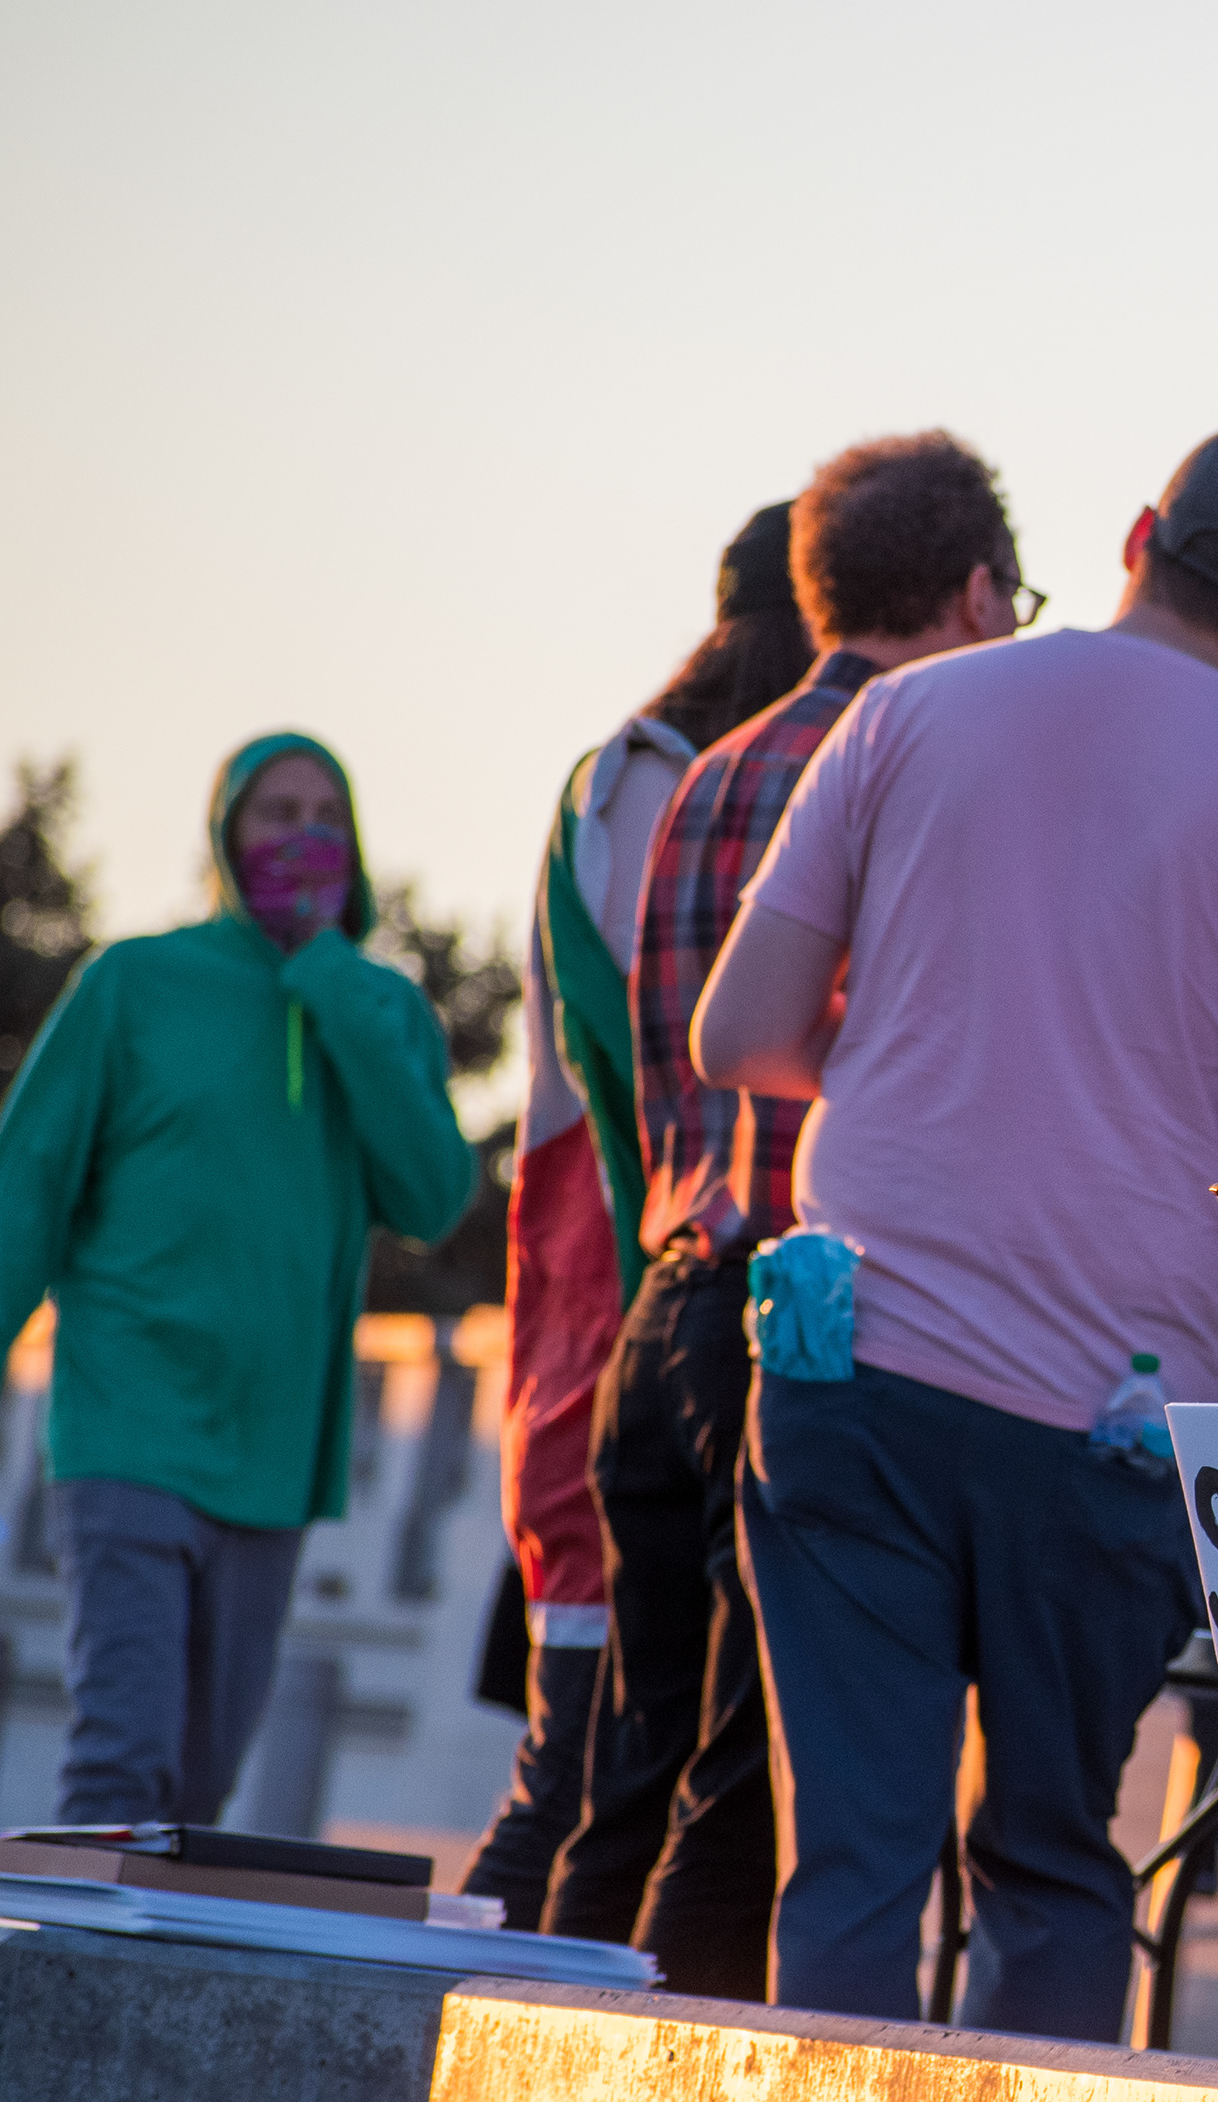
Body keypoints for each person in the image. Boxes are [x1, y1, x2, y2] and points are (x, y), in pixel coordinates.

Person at [696, 427, 1218, 2033]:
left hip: (856, 1355)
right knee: (1062, 1864)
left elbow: (742, 1033)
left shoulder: (908, 709)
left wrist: (907, 1058)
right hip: (1112, 1407)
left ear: (1141, 531)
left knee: (853, 1857)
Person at [539, 450, 1027, 1994]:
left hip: (668, 1301)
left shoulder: (708, 769)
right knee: (753, 1803)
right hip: (804, 1321)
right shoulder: (919, 771)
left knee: (623, 1789)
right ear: (972, 593)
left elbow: (635, 1066)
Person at [0, 735, 472, 1825]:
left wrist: (328, 974)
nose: (303, 836)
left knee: (198, 1797)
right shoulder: (134, 984)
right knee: (121, 1764)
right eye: (276, 813)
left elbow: (433, 1195)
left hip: (275, 1460)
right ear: (225, 836)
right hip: (129, 1433)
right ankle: (68, 1996)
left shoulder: (379, 1007)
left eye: (327, 817)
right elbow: (22, 1195)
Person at [462, 498, 810, 1935]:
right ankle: (443, 2041)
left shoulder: (626, 773)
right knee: (592, 1764)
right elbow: (655, 1059)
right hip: (630, 1274)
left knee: (608, 1762)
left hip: (610, 1285)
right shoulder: (666, 777)